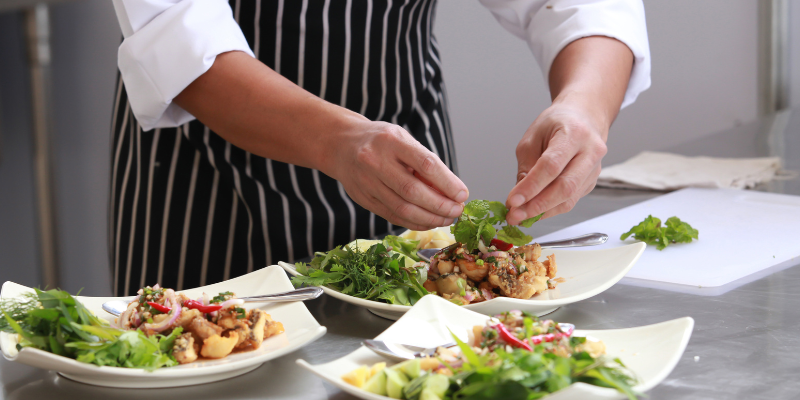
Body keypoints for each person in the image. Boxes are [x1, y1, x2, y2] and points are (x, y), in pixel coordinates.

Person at [109, 0, 650, 296]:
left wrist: (583, 106)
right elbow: (175, 34)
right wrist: (336, 140)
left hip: (408, 141)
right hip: (213, 177)